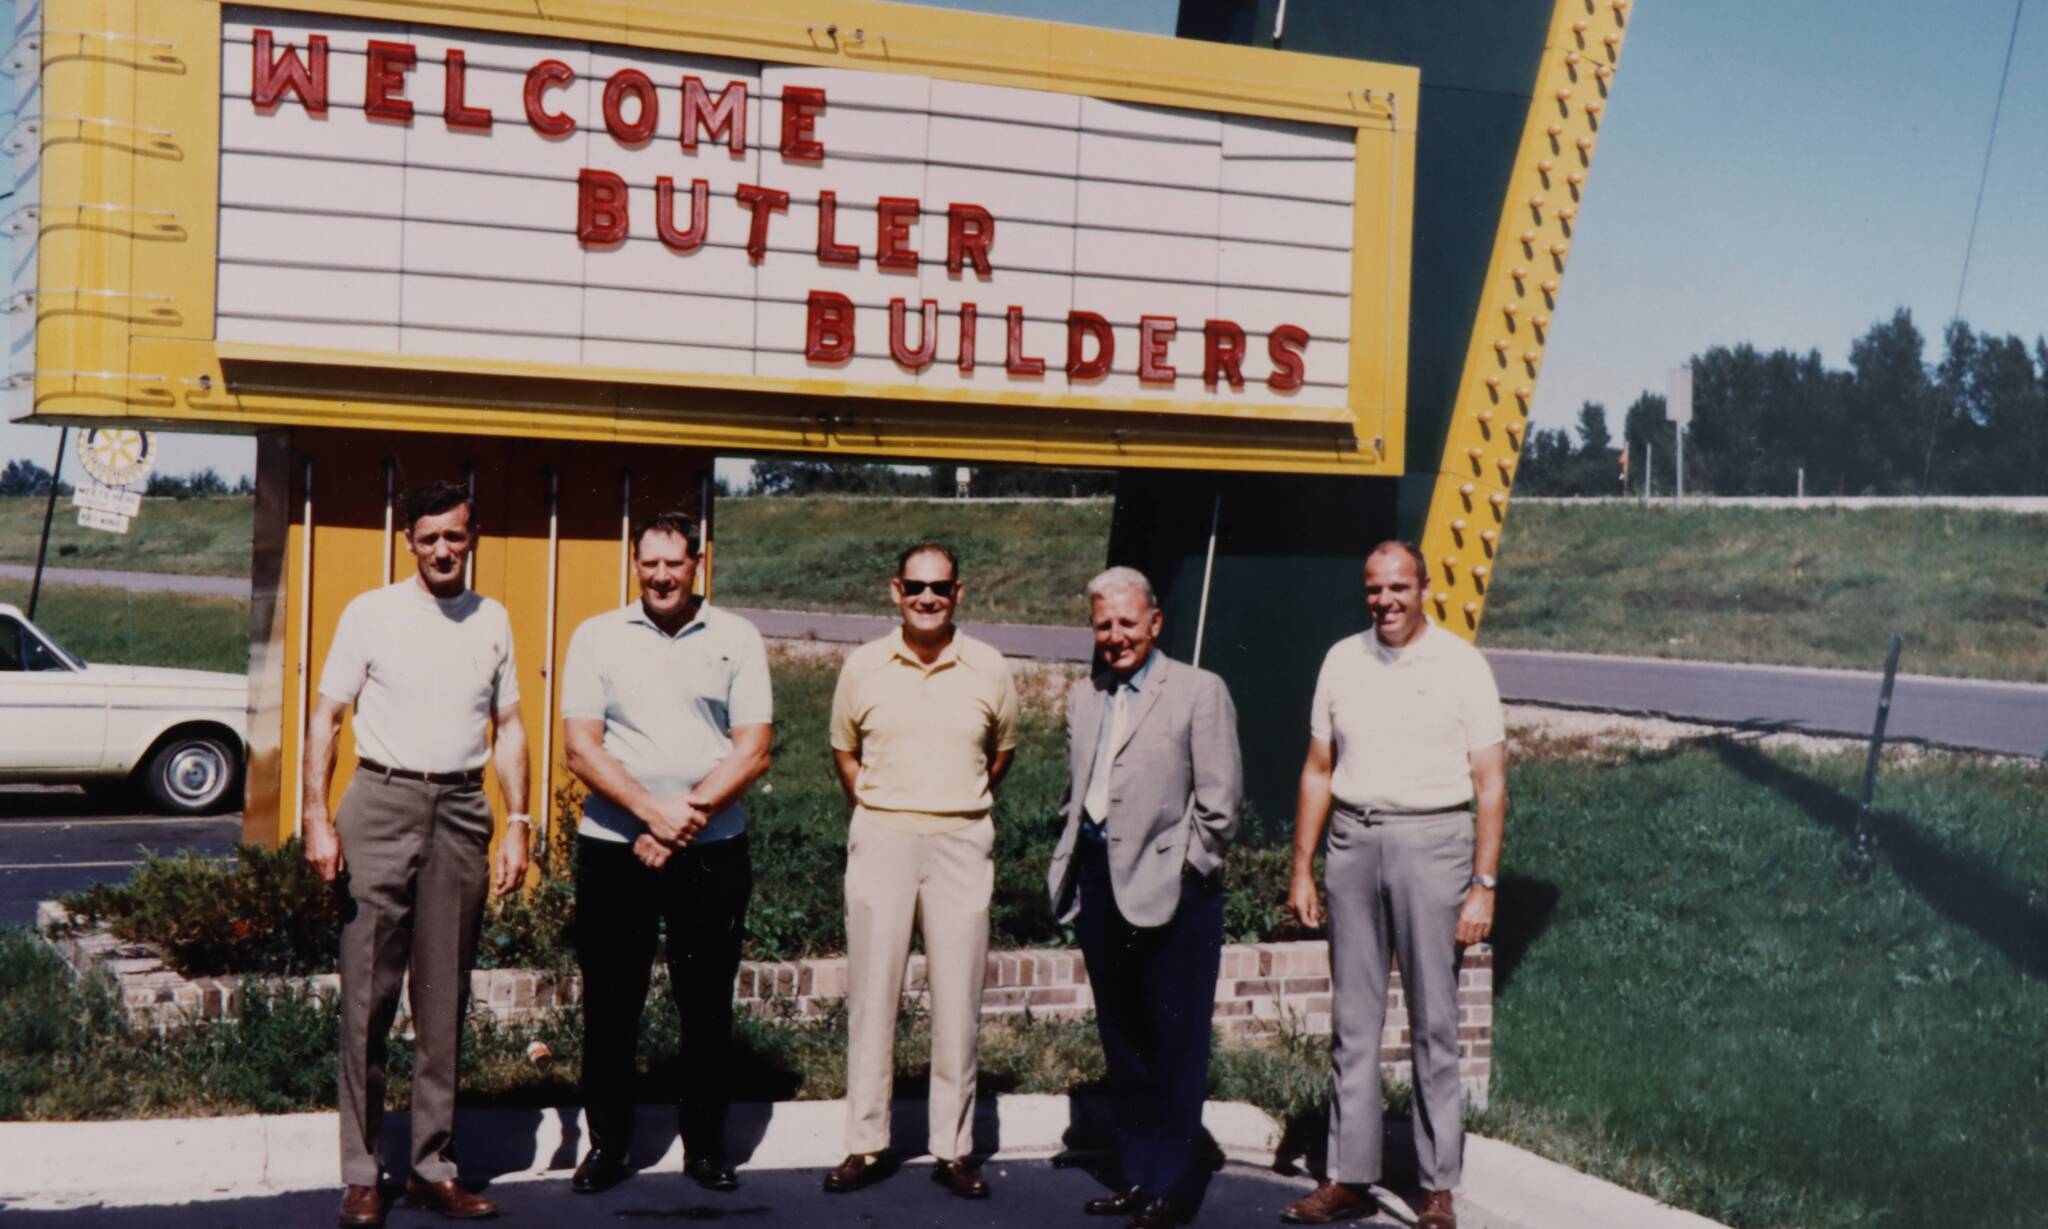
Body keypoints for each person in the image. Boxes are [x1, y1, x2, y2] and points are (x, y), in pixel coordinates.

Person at [303, 479, 531, 1227]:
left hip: (462, 808)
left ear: (473, 540)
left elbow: (511, 728)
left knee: (444, 1000)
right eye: (429, 537)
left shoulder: (492, 619)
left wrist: (518, 821)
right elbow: (328, 716)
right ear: (409, 541)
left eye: (455, 537)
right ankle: (363, 1173)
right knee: (367, 997)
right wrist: (316, 815)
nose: (442, 549)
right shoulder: (371, 613)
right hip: (380, 802)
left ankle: (433, 1165)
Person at [1277, 542, 1506, 1229]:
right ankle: (1349, 1174)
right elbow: (1319, 767)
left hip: (1434, 843)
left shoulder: (1462, 665)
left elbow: (1490, 784)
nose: (1386, 600)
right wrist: (1302, 864)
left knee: (1435, 1019)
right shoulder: (1342, 660)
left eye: (1400, 586)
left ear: (1425, 588)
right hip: (1353, 841)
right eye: (1374, 588)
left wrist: (1483, 884)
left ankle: (1437, 1186)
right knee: (1354, 1019)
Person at [559, 510, 773, 1196]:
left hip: (712, 848)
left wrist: (686, 818)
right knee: (612, 1002)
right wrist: (652, 814)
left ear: (697, 561)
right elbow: (580, 746)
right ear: (635, 561)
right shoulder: (597, 636)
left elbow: (753, 748)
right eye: (648, 563)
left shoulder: (737, 637)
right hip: (615, 848)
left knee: (705, 1003)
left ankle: (707, 1148)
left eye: (673, 563)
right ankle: (609, 1146)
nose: (659, 576)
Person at [1045, 567, 1242, 1229]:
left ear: (1155, 622)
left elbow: (1220, 806)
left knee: (1175, 1042)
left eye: (1128, 622)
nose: (1115, 636)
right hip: (1101, 883)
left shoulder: (1197, 690)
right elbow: (1080, 795)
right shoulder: (1085, 696)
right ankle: (1138, 1175)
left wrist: (1186, 871)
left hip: (1173, 892)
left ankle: (1171, 1190)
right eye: (1104, 624)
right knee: (1123, 1039)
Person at [823, 543, 1019, 1200]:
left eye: (939, 586)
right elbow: (844, 750)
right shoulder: (864, 666)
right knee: (873, 992)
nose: (927, 597)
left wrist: (954, 800)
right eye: (915, 586)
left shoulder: (989, 666)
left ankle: (955, 1148)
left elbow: (1003, 753)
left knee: (959, 999)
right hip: (882, 834)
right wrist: (884, 807)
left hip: (962, 838)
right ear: (895, 590)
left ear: (959, 592)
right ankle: (864, 1141)